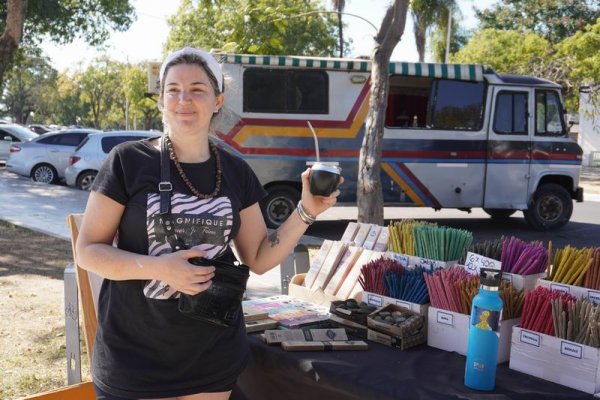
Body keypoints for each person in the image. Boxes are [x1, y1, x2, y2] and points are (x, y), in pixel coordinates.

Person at [76, 46, 341, 400]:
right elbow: (88, 252)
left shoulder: (236, 171)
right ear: (161, 98)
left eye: (197, 89)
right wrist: (159, 268)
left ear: (217, 100)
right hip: (134, 359)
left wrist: (306, 211)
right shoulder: (127, 161)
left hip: (212, 360)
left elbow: (258, 258)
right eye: (173, 89)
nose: (184, 99)